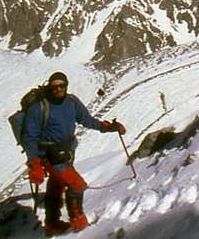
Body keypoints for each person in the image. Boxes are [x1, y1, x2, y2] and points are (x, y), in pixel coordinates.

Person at [23, 71, 127, 235]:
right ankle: (79, 223)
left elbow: (86, 120)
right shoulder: (39, 108)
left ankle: (52, 223)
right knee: (77, 185)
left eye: (61, 85)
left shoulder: (71, 102)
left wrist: (107, 127)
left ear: (66, 85)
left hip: (67, 152)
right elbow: (29, 137)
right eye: (55, 86)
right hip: (50, 157)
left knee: (56, 186)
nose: (58, 89)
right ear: (50, 87)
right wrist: (34, 164)